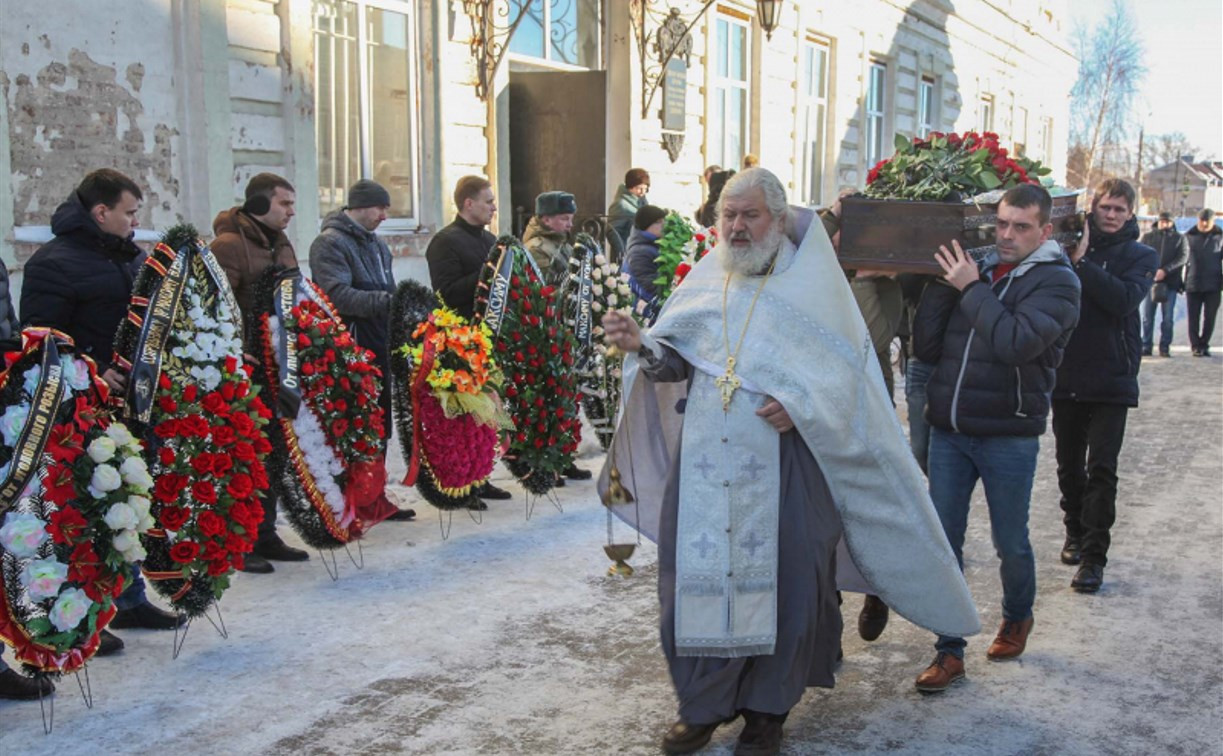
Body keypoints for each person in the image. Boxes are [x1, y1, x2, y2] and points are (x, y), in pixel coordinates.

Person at [600, 168, 977, 755]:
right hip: (704, 469)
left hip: (787, 471)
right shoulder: (707, 281)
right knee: (691, 588)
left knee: (789, 588)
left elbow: (851, 387)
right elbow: (675, 359)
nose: (737, 226)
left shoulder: (815, 291)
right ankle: (702, 707)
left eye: (750, 215)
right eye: (728, 215)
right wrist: (641, 344)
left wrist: (801, 408)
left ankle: (765, 714)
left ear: (778, 220)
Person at [911, 184, 1082, 692]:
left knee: (1011, 540)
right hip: (951, 430)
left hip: (1008, 431)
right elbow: (928, 344)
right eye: (1002, 224)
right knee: (946, 542)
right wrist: (943, 283)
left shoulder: (1059, 283)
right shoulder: (978, 267)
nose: (1006, 235)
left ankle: (1016, 615)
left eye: (1021, 227)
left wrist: (968, 287)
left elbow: (1013, 343)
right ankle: (949, 650)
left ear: (1045, 230)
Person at [20, 168, 182, 656]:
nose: (136, 222)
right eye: (130, 213)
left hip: (137, 402)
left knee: (131, 505)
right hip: (84, 412)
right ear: (101, 212)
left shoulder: (131, 256)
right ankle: (87, 609)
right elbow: (42, 341)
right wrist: (94, 368)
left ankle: (129, 598)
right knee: (89, 510)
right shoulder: (53, 263)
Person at [1052, 178, 1157, 593]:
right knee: (1068, 464)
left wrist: (1081, 265)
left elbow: (1122, 300)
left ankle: (1094, 559)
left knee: (1102, 469)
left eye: (1120, 210)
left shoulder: (1141, 255)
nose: (1111, 215)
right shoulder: (1068, 249)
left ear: (1130, 214)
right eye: (1105, 208)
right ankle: (1074, 531)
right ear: (1093, 209)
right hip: (1067, 372)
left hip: (1113, 376)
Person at [211, 172, 308, 572]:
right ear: (258, 205)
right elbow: (215, 308)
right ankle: (240, 542)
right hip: (245, 370)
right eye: (283, 203)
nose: (290, 211)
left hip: (281, 367)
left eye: (291, 203)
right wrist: (237, 352)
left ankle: (265, 533)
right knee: (243, 459)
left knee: (274, 453)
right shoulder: (228, 247)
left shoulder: (282, 244)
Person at [308, 179, 415, 521]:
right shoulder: (330, 244)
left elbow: (388, 290)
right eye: (380, 208)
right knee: (357, 423)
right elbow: (335, 295)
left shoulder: (378, 246)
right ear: (358, 206)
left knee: (380, 422)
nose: (385, 216)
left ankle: (373, 495)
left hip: (380, 341)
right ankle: (350, 498)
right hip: (351, 347)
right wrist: (389, 303)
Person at [424, 176, 513, 504]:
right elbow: (445, 291)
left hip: (488, 339)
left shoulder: (489, 240)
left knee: (490, 413)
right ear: (468, 204)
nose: (493, 206)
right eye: (488, 201)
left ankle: (483, 474)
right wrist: (489, 274)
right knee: (464, 420)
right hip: (458, 342)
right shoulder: (445, 241)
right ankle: (463, 484)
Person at [1139, 212, 1189, 357]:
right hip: (1150, 281)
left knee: (1168, 318)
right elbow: (1141, 255)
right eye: (1162, 221)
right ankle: (1146, 345)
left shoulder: (1179, 238)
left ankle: (1164, 346)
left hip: (1170, 283)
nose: (1164, 224)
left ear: (1172, 223)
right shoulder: (1148, 237)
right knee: (1147, 317)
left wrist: (1166, 270)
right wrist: (1152, 271)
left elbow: (1182, 257)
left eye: (1167, 222)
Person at [1183, 208, 1222, 357]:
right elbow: (1182, 259)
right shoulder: (1189, 236)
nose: (1204, 223)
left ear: (1213, 221)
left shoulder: (1220, 237)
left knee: (1210, 317)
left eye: (1208, 221)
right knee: (1193, 317)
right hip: (1193, 282)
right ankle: (1195, 345)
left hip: (1214, 283)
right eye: (1202, 220)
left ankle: (1204, 343)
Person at [522, 191, 577, 285]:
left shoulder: (562, 243)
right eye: (565, 219)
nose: (570, 225)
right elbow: (543, 289)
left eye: (571, 219)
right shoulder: (536, 249)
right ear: (547, 220)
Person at [623, 204, 668, 316]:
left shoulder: (651, 245)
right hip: (647, 312)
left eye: (664, 220)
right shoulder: (640, 252)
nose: (664, 225)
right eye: (658, 222)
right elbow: (650, 286)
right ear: (646, 225)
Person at [607, 168, 650, 246]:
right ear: (630, 186)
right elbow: (613, 232)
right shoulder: (621, 204)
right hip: (629, 251)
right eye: (639, 188)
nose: (642, 192)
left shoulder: (643, 202)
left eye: (645, 189)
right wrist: (622, 252)